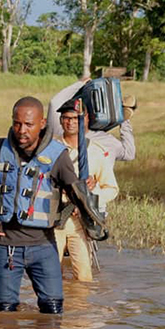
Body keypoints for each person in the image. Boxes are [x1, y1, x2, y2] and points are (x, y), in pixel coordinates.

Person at [0, 97, 97, 315]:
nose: (22, 130)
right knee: (4, 314)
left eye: (29, 125)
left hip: (44, 246)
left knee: (52, 312)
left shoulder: (58, 156)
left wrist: (93, 220)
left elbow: (76, 193)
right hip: (6, 245)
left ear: (42, 123)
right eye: (17, 123)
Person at [54, 99, 119, 282]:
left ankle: (80, 309)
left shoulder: (96, 151)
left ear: (85, 120)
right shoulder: (51, 149)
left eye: (75, 118)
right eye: (66, 118)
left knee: (84, 277)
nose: (70, 122)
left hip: (80, 220)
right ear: (61, 121)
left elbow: (112, 188)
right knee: (51, 274)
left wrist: (90, 197)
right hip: (55, 217)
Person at [45, 78, 136, 170]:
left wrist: (80, 84)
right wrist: (123, 120)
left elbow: (54, 104)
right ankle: (119, 109)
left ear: (87, 117)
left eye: (76, 117)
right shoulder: (106, 141)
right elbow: (129, 153)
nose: (72, 121)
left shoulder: (59, 132)